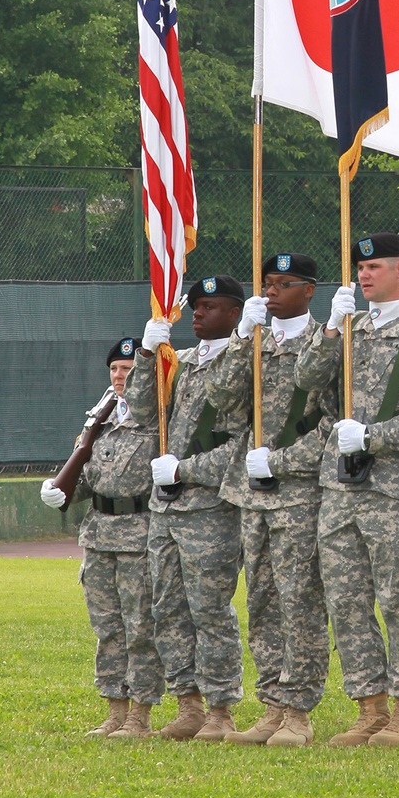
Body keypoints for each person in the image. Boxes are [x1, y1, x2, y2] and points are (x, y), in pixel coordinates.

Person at [295, 232, 399, 747]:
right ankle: (369, 707)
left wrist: (375, 437)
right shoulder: (348, 329)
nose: (364, 275)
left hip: (395, 489)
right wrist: (331, 330)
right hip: (340, 488)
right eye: (361, 268)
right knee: (347, 601)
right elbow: (307, 381)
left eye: (376, 266)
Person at [204, 253, 334, 748]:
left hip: (298, 492)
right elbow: (219, 396)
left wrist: (281, 461)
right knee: (261, 602)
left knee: (300, 601)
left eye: (285, 284)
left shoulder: (326, 342)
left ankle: (298, 711)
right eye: (267, 283)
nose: (273, 291)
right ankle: (272, 704)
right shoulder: (254, 339)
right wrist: (241, 339)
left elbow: (332, 421)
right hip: (252, 496)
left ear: (309, 290)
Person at [125, 276, 247, 743]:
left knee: (209, 609)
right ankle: (188, 704)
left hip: (210, 508)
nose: (197, 313)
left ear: (234, 313)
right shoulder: (182, 364)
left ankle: (220, 710)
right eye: (194, 306)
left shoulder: (243, 365)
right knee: (168, 608)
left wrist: (186, 470)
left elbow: (241, 445)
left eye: (209, 306)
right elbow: (141, 409)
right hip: (166, 510)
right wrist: (144, 354)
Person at [41, 336, 163, 739]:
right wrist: (62, 491)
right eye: (114, 368)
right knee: (108, 628)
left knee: (140, 628)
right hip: (98, 537)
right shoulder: (99, 419)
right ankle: (115, 710)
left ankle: (140, 717)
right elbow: (85, 480)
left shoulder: (157, 416)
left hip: (138, 536)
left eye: (127, 369)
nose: (118, 374)